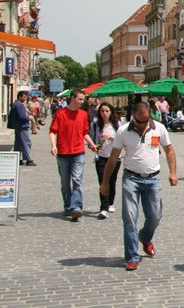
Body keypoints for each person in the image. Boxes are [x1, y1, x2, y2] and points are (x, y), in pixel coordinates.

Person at [100, 102, 177, 271]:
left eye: (146, 121)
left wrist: (172, 172)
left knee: (155, 216)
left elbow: (169, 150)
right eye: (140, 122)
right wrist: (105, 183)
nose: (144, 125)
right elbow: (113, 158)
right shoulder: (123, 131)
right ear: (133, 117)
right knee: (129, 218)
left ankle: (145, 237)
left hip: (153, 179)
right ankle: (132, 256)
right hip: (131, 179)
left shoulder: (159, 128)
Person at [49, 90, 97, 221]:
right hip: (63, 152)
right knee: (65, 182)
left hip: (78, 152)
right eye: (80, 99)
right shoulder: (60, 113)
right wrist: (53, 146)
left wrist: (92, 144)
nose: (83, 102)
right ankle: (67, 205)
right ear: (73, 98)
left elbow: (84, 132)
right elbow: (53, 131)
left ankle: (76, 207)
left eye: (83, 99)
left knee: (77, 180)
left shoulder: (83, 114)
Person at [90, 102, 121, 219]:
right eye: (102, 111)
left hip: (114, 157)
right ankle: (104, 208)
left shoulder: (117, 124)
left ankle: (111, 203)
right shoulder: (96, 125)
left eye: (107, 111)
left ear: (111, 112)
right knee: (103, 181)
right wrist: (95, 145)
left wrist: (113, 138)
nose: (104, 113)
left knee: (112, 182)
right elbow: (91, 140)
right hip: (101, 157)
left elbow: (122, 139)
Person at [10, 91, 34, 166]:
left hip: (17, 126)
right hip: (22, 126)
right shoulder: (19, 105)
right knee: (26, 143)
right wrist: (28, 118)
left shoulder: (15, 104)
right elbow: (22, 116)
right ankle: (28, 159)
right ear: (19, 97)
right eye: (24, 97)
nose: (25, 98)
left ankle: (17, 159)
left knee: (18, 143)